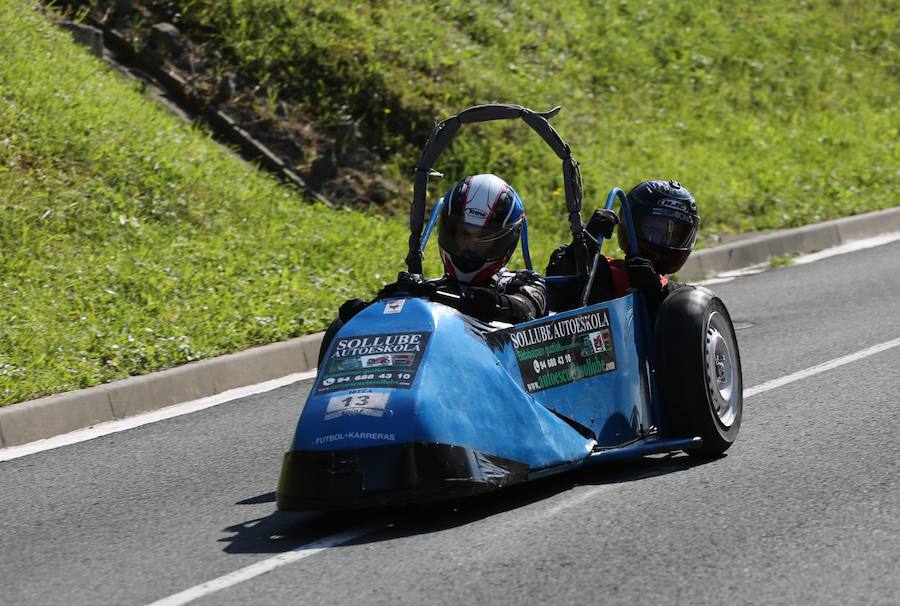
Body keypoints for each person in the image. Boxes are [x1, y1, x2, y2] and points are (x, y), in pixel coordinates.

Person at [546, 179, 699, 316]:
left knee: (685, 301)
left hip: (649, 339)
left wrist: (653, 293)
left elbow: (683, 339)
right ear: (632, 224)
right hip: (579, 344)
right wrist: (587, 241)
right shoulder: (599, 270)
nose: (663, 239)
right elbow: (555, 298)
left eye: (675, 234)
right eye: (654, 229)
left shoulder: (677, 296)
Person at [431, 173, 547, 323]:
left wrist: (497, 304)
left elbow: (526, 307)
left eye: (483, 239)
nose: (470, 247)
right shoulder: (430, 289)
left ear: (505, 242)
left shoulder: (526, 283)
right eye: (464, 234)